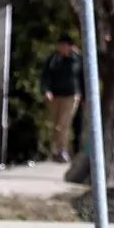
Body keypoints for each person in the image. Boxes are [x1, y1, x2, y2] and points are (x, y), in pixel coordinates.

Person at [39, 34, 83, 163]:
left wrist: (83, 95)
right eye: (60, 45)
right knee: (56, 125)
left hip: (71, 96)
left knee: (64, 123)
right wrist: (46, 90)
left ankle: (63, 150)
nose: (62, 47)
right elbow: (45, 76)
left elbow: (82, 77)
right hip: (55, 95)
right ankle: (58, 150)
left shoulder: (76, 60)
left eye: (65, 45)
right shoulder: (53, 60)